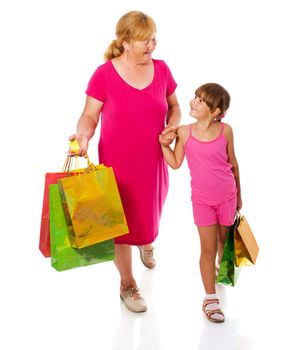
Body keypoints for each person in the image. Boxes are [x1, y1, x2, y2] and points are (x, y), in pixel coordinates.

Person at [70, 11, 180, 312]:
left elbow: (174, 106)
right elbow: (90, 115)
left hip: (153, 159)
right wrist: (83, 135)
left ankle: (146, 242)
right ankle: (127, 284)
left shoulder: (162, 69)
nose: (152, 46)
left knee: (148, 212)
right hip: (117, 162)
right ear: (126, 42)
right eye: (146, 41)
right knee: (120, 220)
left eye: (154, 39)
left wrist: (172, 126)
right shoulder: (104, 74)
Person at [159, 83, 242, 323]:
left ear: (215, 111)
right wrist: (164, 145)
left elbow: (233, 163)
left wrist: (240, 196)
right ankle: (210, 297)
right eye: (195, 97)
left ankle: (220, 269)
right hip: (202, 201)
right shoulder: (184, 132)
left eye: (200, 100)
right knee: (207, 248)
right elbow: (175, 163)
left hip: (228, 196)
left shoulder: (226, 130)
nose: (193, 102)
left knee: (223, 240)